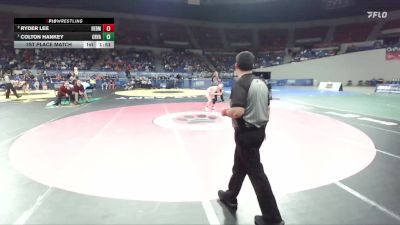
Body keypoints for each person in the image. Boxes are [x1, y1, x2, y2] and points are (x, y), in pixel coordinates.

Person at [219, 51, 284, 225]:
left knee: (257, 174)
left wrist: (225, 112)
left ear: (236, 65)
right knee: (239, 165)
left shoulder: (240, 83)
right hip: (258, 131)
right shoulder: (261, 82)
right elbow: (267, 109)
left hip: (245, 134)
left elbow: (238, 111)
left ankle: (273, 217)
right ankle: (230, 196)